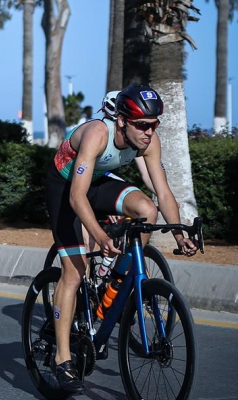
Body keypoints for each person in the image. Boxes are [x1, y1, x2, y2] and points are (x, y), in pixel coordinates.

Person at [44, 84, 198, 393]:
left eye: (154, 124)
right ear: (123, 121)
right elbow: (76, 197)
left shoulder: (148, 141)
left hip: (97, 182)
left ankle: (119, 278)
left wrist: (180, 234)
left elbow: (163, 192)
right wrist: (100, 236)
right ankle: (62, 359)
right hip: (65, 188)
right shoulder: (97, 134)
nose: (149, 132)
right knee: (74, 273)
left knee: (147, 209)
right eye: (142, 125)